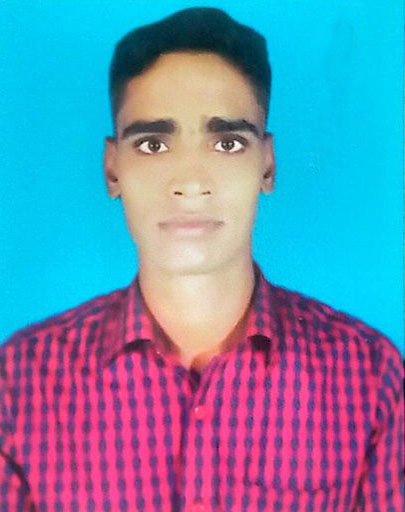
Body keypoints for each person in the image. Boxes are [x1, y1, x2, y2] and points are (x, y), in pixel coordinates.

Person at [0, 7, 403, 512]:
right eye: (153, 144)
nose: (190, 183)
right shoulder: (21, 382)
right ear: (112, 170)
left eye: (227, 143)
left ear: (267, 165)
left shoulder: (367, 378)